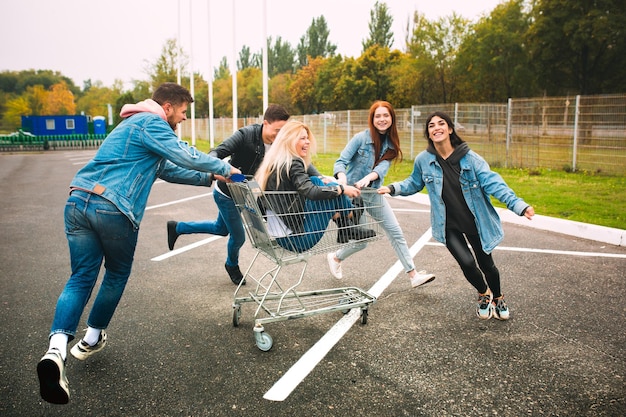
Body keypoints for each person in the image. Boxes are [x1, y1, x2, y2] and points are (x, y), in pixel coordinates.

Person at [36, 83, 240, 405]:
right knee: (116, 274)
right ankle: (91, 338)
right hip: (113, 208)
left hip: (78, 202)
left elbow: (169, 169)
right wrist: (224, 167)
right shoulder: (152, 122)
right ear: (169, 107)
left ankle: (56, 351)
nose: (185, 118)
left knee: (80, 278)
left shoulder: (132, 125)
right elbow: (182, 153)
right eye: (184, 111)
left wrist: (211, 178)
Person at [379, 111, 535, 321]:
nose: (436, 128)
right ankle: (483, 294)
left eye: (441, 124)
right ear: (429, 133)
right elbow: (414, 183)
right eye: (431, 125)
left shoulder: (471, 159)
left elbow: (494, 183)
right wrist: (392, 188)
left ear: (450, 129)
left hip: (475, 221)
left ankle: (498, 297)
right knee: (467, 263)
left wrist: (518, 205)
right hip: (447, 224)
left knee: (486, 264)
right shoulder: (424, 160)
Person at [166, 104, 327, 284]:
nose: (280, 135)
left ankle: (178, 227)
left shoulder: (279, 143)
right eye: (277, 130)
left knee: (221, 228)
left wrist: (319, 177)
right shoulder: (246, 135)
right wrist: (212, 169)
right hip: (228, 193)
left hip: (250, 196)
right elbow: (218, 152)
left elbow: (294, 157)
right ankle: (231, 265)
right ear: (265, 123)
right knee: (238, 236)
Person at [328, 100, 435, 286]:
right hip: (354, 196)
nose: (382, 119)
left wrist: (369, 178)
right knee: (362, 241)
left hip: (373, 194)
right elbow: (341, 161)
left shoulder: (391, 145)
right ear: (372, 119)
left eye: (386, 115)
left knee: (396, 232)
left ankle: (413, 275)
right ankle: (336, 258)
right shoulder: (360, 138)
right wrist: (342, 178)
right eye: (378, 116)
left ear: (392, 119)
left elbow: (382, 169)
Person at [255, 120, 376, 253]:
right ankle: (350, 217)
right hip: (297, 240)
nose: (308, 142)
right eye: (302, 138)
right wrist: (342, 189)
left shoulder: (276, 162)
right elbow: (311, 192)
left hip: (283, 236)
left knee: (316, 181)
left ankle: (346, 226)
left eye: (307, 138)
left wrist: (331, 184)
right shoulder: (293, 163)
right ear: (289, 140)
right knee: (329, 192)